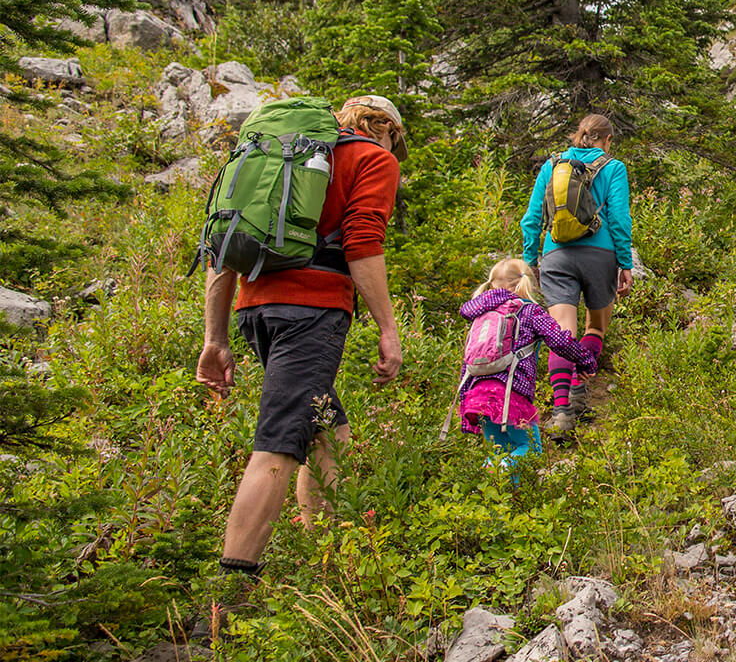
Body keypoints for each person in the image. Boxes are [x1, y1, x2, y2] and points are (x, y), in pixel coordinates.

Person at [195, 95, 406, 581]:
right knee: (280, 441)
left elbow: (222, 245)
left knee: (327, 427)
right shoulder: (372, 159)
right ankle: (233, 584)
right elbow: (362, 243)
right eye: (397, 138)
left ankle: (328, 548)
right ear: (388, 129)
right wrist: (388, 329)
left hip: (256, 309)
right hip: (311, 311)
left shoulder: (279, 155)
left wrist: (216, 337)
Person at [519, 113, 633, 436]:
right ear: (607, 140)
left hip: (557, 256)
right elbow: (620, 220)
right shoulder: (614, 168)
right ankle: (579, 389)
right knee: (595, 326)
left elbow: (531, 219)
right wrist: (625, 264)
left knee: (562, 334)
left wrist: (532, 262)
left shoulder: (552, 166)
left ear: (578, 136)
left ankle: (562, 411)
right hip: (601, 255)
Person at [456, 258, 597, 469]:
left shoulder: (480, 315)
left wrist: (465, 399)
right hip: (510, 394)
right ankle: (498, 475)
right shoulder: (529, 310)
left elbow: (468, 361)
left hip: (477, 396)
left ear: (492, 283)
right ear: (523, 283)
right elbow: (559, 340)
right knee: (529, 449)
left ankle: (496, 493)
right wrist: (585, 361)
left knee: (500, 452)